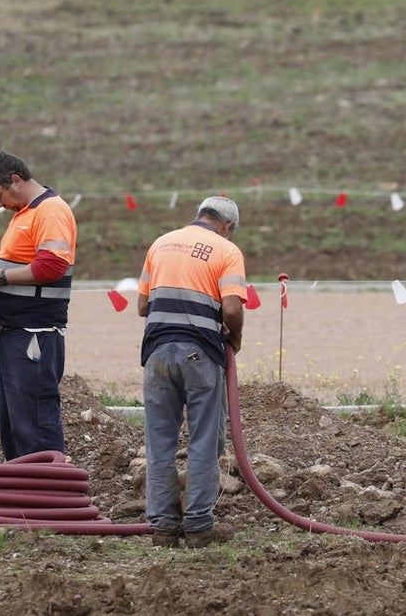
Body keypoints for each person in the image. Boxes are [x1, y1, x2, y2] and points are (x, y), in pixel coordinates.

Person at [137, 196, 247, 548]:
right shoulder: (226, 251)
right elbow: (231, 307)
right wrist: (236, 337)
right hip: (200, 354)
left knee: (159, 442)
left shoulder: (160, 243)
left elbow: (142, 305)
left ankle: (164, 526)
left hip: (156, 353)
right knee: (203, 441)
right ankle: (199, 526)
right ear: (227, 226)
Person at [0, 151, 77, 459]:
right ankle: (22, 494)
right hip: (15, 331)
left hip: (35, 334)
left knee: (35, 422)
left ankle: (46, 496)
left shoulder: (50, 212)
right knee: (14, 422)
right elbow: (21, 260)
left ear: (15, 180)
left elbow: (51, 265)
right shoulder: (24, 214)